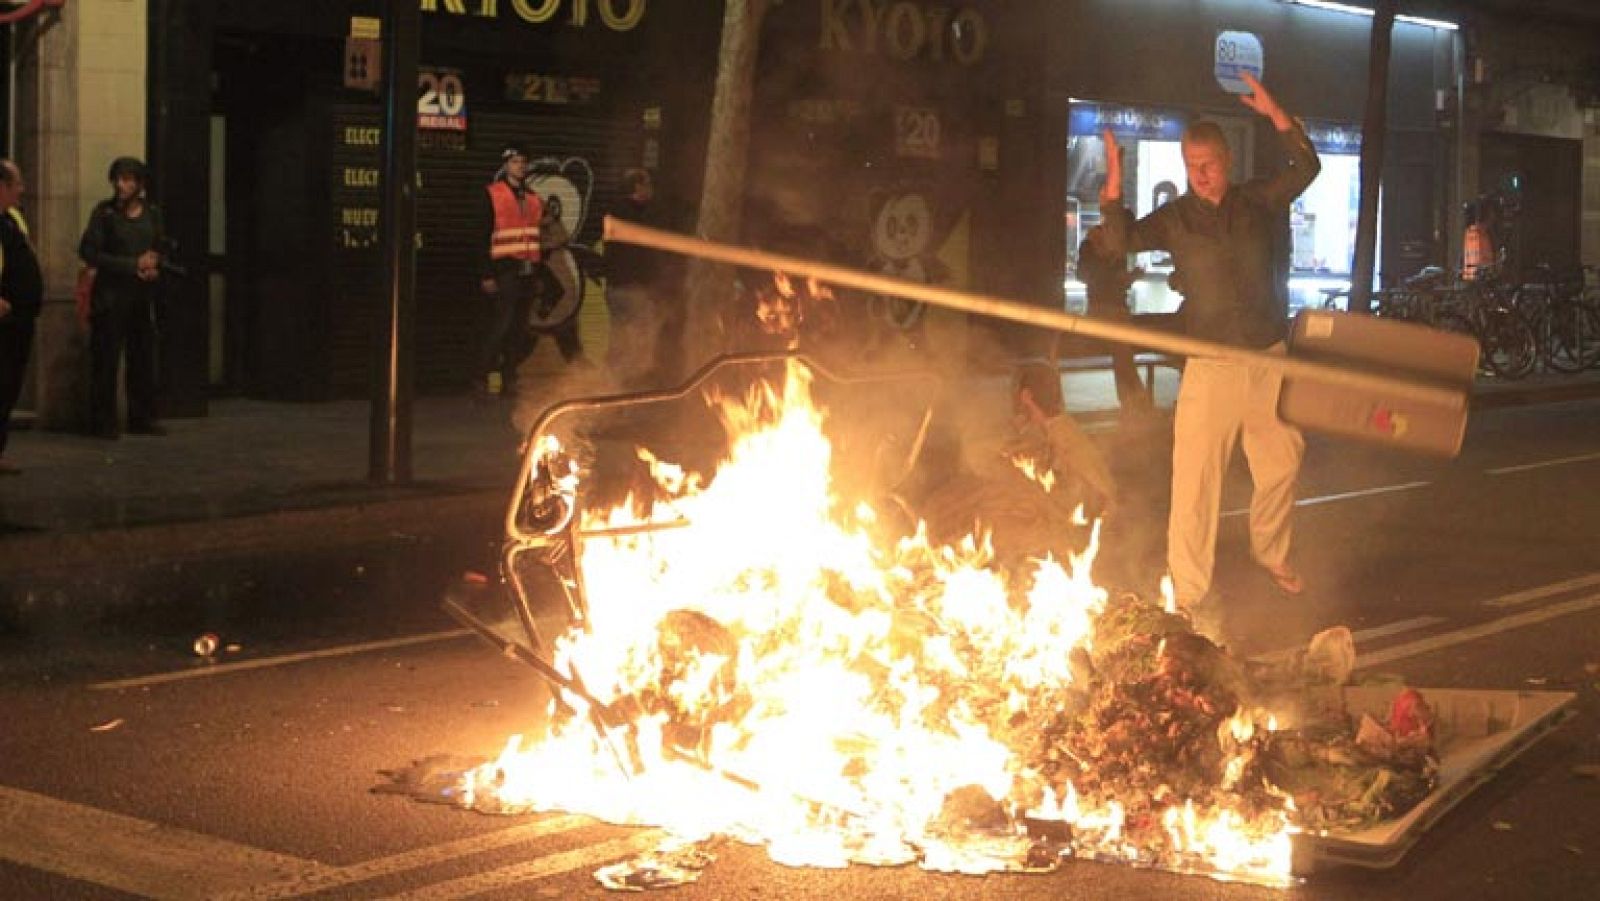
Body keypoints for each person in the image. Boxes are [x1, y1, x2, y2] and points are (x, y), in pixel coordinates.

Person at [1098, 72, 1321, 622]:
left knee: (1282, 460)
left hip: (1267, 356)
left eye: (1209, 164)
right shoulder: (1175, 220)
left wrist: (1275, 112)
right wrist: (1113, 183)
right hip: (1211, 364)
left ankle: (1271, 552)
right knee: (1195, 480)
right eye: (1191, 165)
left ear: (1227, 161)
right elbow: (1119, 242)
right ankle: (1191, 592)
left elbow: (1306, 168)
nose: (1200, 175)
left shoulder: (1256, 202)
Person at [80, 156, 167, 439]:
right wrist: (131, 265)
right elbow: (89, 252)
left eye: (127, 180)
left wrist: (154, 265)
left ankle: (142, 417)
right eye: (117, 179)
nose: (121, 185)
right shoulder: (104, 214)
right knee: (106, 361)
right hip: (111, 298)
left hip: (141, 298)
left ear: (139, 184)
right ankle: (102, 421)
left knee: (142, 358)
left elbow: (158, 246)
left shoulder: (152, 214)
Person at [476, 145, 542, 398]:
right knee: (499, 326)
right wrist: (486, 274)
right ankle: (481, 377)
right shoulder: (493, 194)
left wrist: (537, 273)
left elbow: (536, 237)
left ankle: (509, 378)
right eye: (515, 161)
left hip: (527, 270)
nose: (520, 166)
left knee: (518, 328)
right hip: (504, 268)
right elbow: (481, 236)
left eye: (523, 161)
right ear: (506, 165)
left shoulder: (533, 198)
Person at [1078, 225, 1153, 417]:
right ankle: (1136, 402)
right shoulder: (1096, 248)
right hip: (1107, 310)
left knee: (1122, 356)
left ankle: (1134, 402)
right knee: (1123, 355)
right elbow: (1100, 279)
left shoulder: (1110, 250)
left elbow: (1107, 281)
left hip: (1109, 309)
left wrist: (1127, 277)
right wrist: (1125, 276)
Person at [603, 168, 666, 389]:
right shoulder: (635, 216)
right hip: (632, 288)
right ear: (638, 187)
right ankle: (629, 386)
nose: (651, 190)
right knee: (639, 339)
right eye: (648, 184)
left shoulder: (617, 213)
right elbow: (642, 255)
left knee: (620, 338)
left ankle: (612, 386)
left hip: (618, 287)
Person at [0, 160, 43, 474]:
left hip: (19, 320)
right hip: (3, 318)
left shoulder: (12, 218)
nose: (22, 189)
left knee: (9, 385)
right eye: (16, 184)